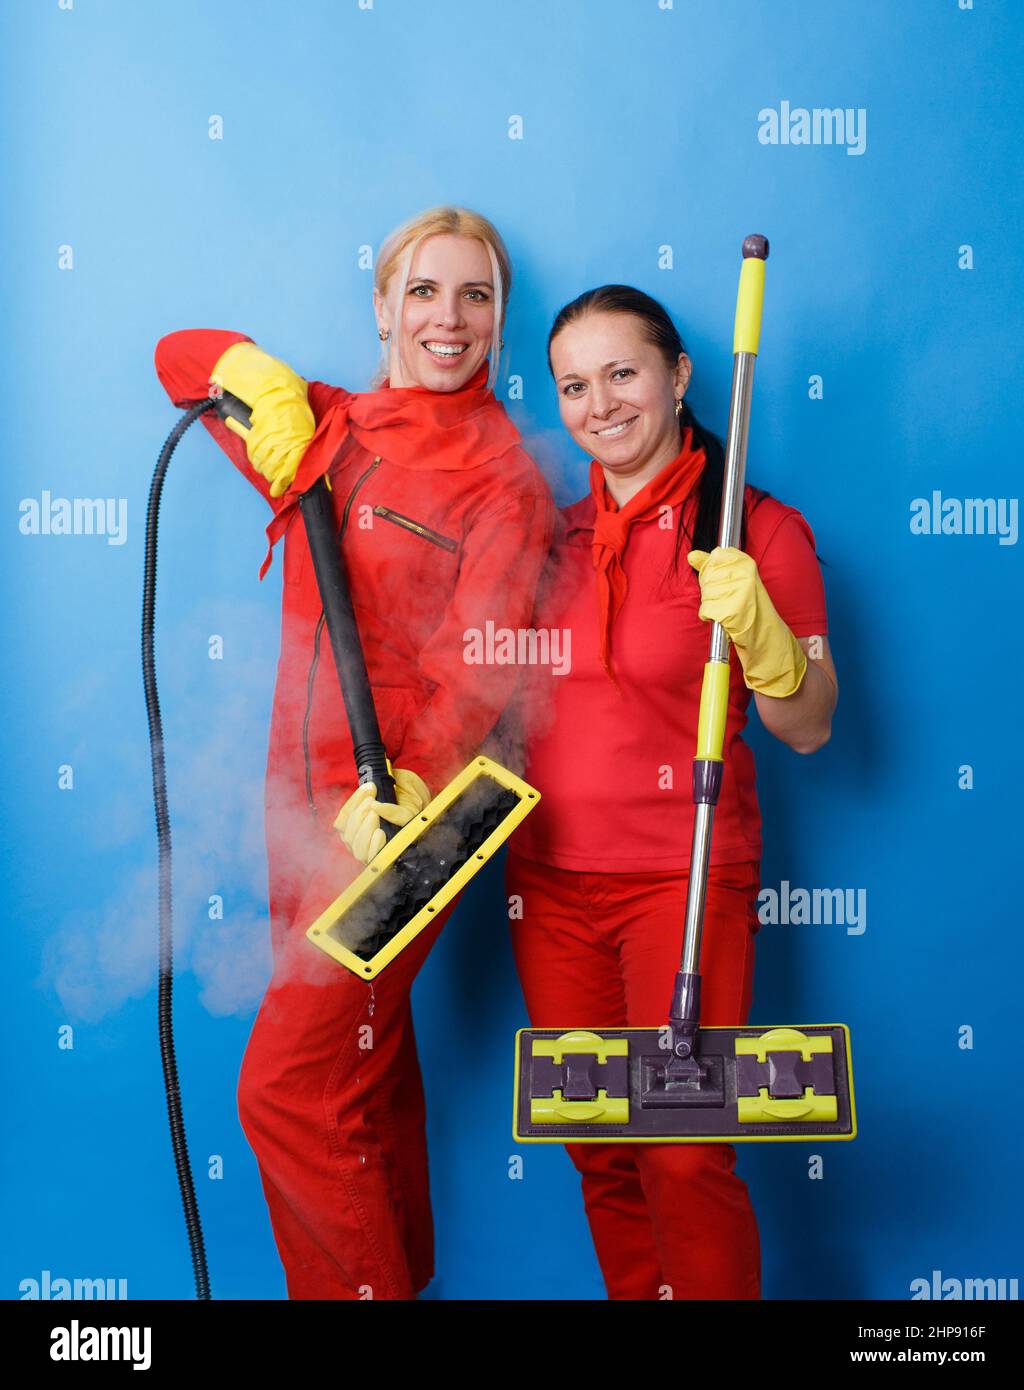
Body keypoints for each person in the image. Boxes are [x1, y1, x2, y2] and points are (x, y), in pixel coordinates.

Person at [154, 207, 554, 1300]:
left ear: (500, 322)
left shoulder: (504, 478)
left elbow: (481, 667)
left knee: (290, 1088)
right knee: (360, 1083)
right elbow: (173, 360)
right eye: (424, 290)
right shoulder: (326, 429)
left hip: (415, 821)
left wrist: (407, 789)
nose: (449, 317)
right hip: (301, 813)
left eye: (477, 296)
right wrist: (254, 378)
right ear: (382, 306)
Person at [505, 284, 838, 1301]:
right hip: (549, 887)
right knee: (599, 1148)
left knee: (682, 1149)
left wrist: (768, 643)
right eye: (573, 384)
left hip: (680, 884)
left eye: (622, 373)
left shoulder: (757, 531)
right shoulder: (549, 541)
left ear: (680, 375)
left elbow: (810, 723)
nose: (599, 403)